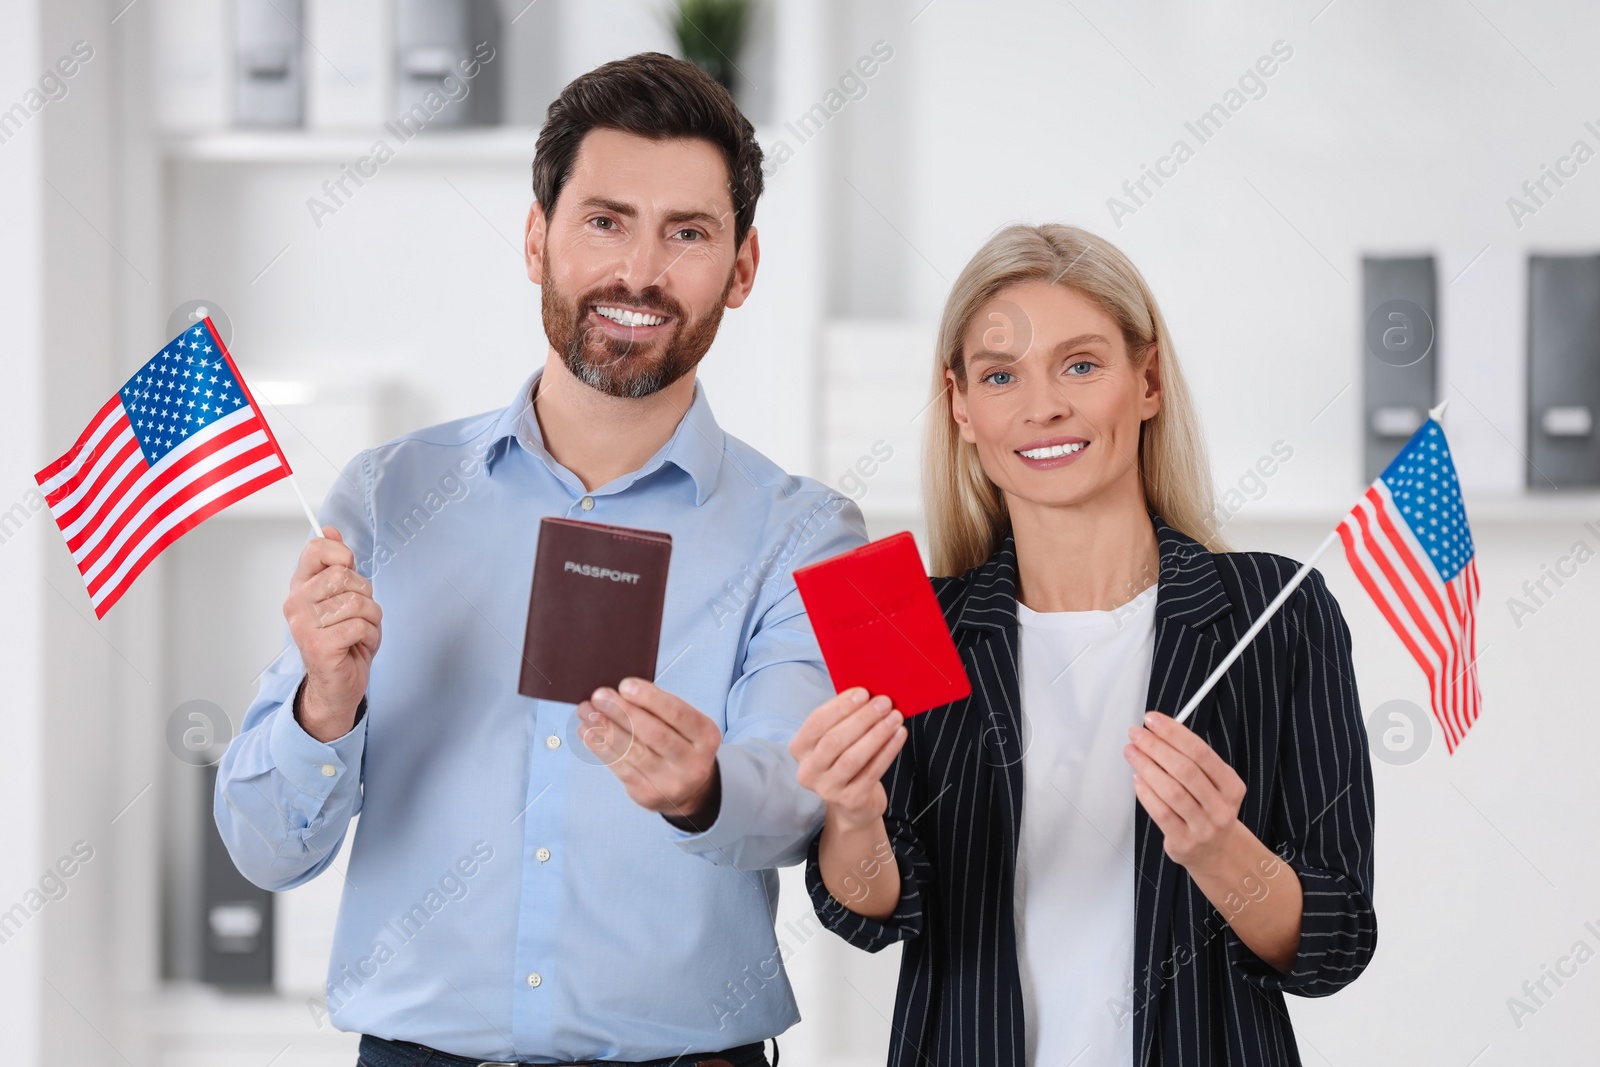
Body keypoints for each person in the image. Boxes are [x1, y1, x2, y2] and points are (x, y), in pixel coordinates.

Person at [215, 53, 866, 1067]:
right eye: (604, 220)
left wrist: (701, 786)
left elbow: (795, 802)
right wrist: (323, 706)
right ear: (536, 238)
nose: (640, 273)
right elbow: (264, 847)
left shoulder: (812, 532)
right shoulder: (384, 497)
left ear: (741, 268)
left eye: (686, 233)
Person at [790, 224, 1376, 1066]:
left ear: (1147, 380)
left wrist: (1221, 849)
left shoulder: (1276, 611)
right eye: (1000, 376)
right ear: (960, 406)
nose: (1043, 407)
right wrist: (852, 814)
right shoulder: (910, 621)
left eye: (1080, 364)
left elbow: (1335, 942)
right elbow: (871, 910)